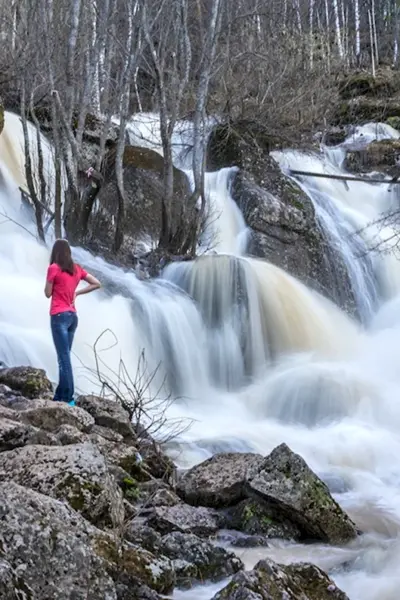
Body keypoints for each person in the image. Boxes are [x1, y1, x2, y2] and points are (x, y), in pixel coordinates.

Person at [45, 239, 101, 406]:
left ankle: (69, 398)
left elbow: (47, 293)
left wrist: (51, 283)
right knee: (65, 357)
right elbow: (96, 284)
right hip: (72, 317)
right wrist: (77, 293)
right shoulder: (76, 269)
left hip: (58, 316)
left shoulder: (53, 268)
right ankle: (59, 395)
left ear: (55, 252)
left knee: (63, 359)